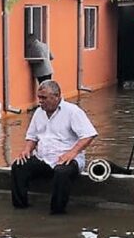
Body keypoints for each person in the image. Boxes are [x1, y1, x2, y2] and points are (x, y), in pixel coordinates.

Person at [10, 80, 97, 214]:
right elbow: (32, 137)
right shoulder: (39, 113)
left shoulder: (72, 112)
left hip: (67, 160)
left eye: (44, 98)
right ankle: (20, 207)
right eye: (39, 98)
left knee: (61, 172)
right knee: (18, 166)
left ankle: (57, 212)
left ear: (56, 96)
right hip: (44, 159)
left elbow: (88, 135)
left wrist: (71, 153)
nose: (40, 101)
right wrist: (26, 150)